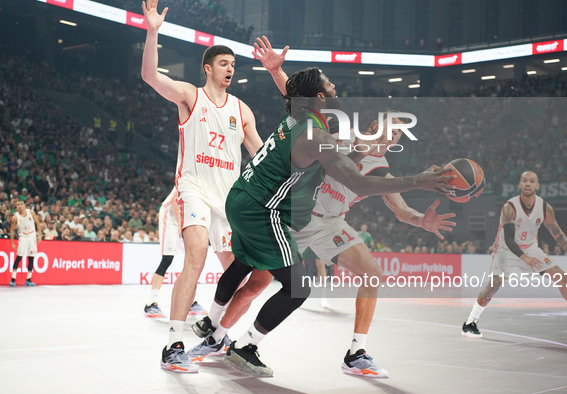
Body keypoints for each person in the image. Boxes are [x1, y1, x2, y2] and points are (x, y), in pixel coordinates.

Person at [189, 37, 457, 377]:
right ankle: (222, 336)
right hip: (291, 215)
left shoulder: (377, 161)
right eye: (391, 130)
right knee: (260, 283)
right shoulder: (334, 131)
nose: (394, 138)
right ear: (374, 127)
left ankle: (356, 352)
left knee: (371, 274)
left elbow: (399, 208)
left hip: (324, 220)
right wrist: (419, 179)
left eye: (400, 135)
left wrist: (423, 221)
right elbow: (354, 176)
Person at [141, 0, 270, 373]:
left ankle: (215, 332)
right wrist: (153, 32)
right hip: (194, 187)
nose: (231, 69)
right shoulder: (189, 95)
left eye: (234, 65)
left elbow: (260, 155)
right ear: (208, 68)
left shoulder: (242, 110)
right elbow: (151, 77)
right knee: (195, 256)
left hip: (229, 200)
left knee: (248, 276)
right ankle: (173, 345)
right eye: (225, 64)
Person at [462, 171, 567, 337]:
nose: (528, 183)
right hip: (505, 249)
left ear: (537, 185)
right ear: (520, 185)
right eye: (524, 181)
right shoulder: (510, 207)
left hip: (530, 248)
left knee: (560, 275)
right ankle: (470, 323)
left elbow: (557, 234)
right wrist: (524, 257)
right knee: (495, 284)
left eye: (532, 181)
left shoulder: (544, 207)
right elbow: (509, 239)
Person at [144, 188, 207, 318]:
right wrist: (180, 224)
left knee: (192, 258)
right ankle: (151, 303)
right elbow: (174, 200)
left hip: (186, 217)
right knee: (167, 259)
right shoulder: (188, 173)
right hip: (171, 215)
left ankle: (190, 301)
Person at [9, 200, 42, 286]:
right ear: (16, 207)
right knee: (19, 257)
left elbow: (38, 223)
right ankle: (13, 279)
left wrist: (39, 234)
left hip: (32, 236)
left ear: (24, 205)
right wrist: (12, 243)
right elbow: (12, 231)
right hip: (23, 237)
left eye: (21, 204)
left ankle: (28, 279)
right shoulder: (15, 217)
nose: (19, 206)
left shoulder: (30, 212)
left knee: (31, 258)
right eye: (18, 205)